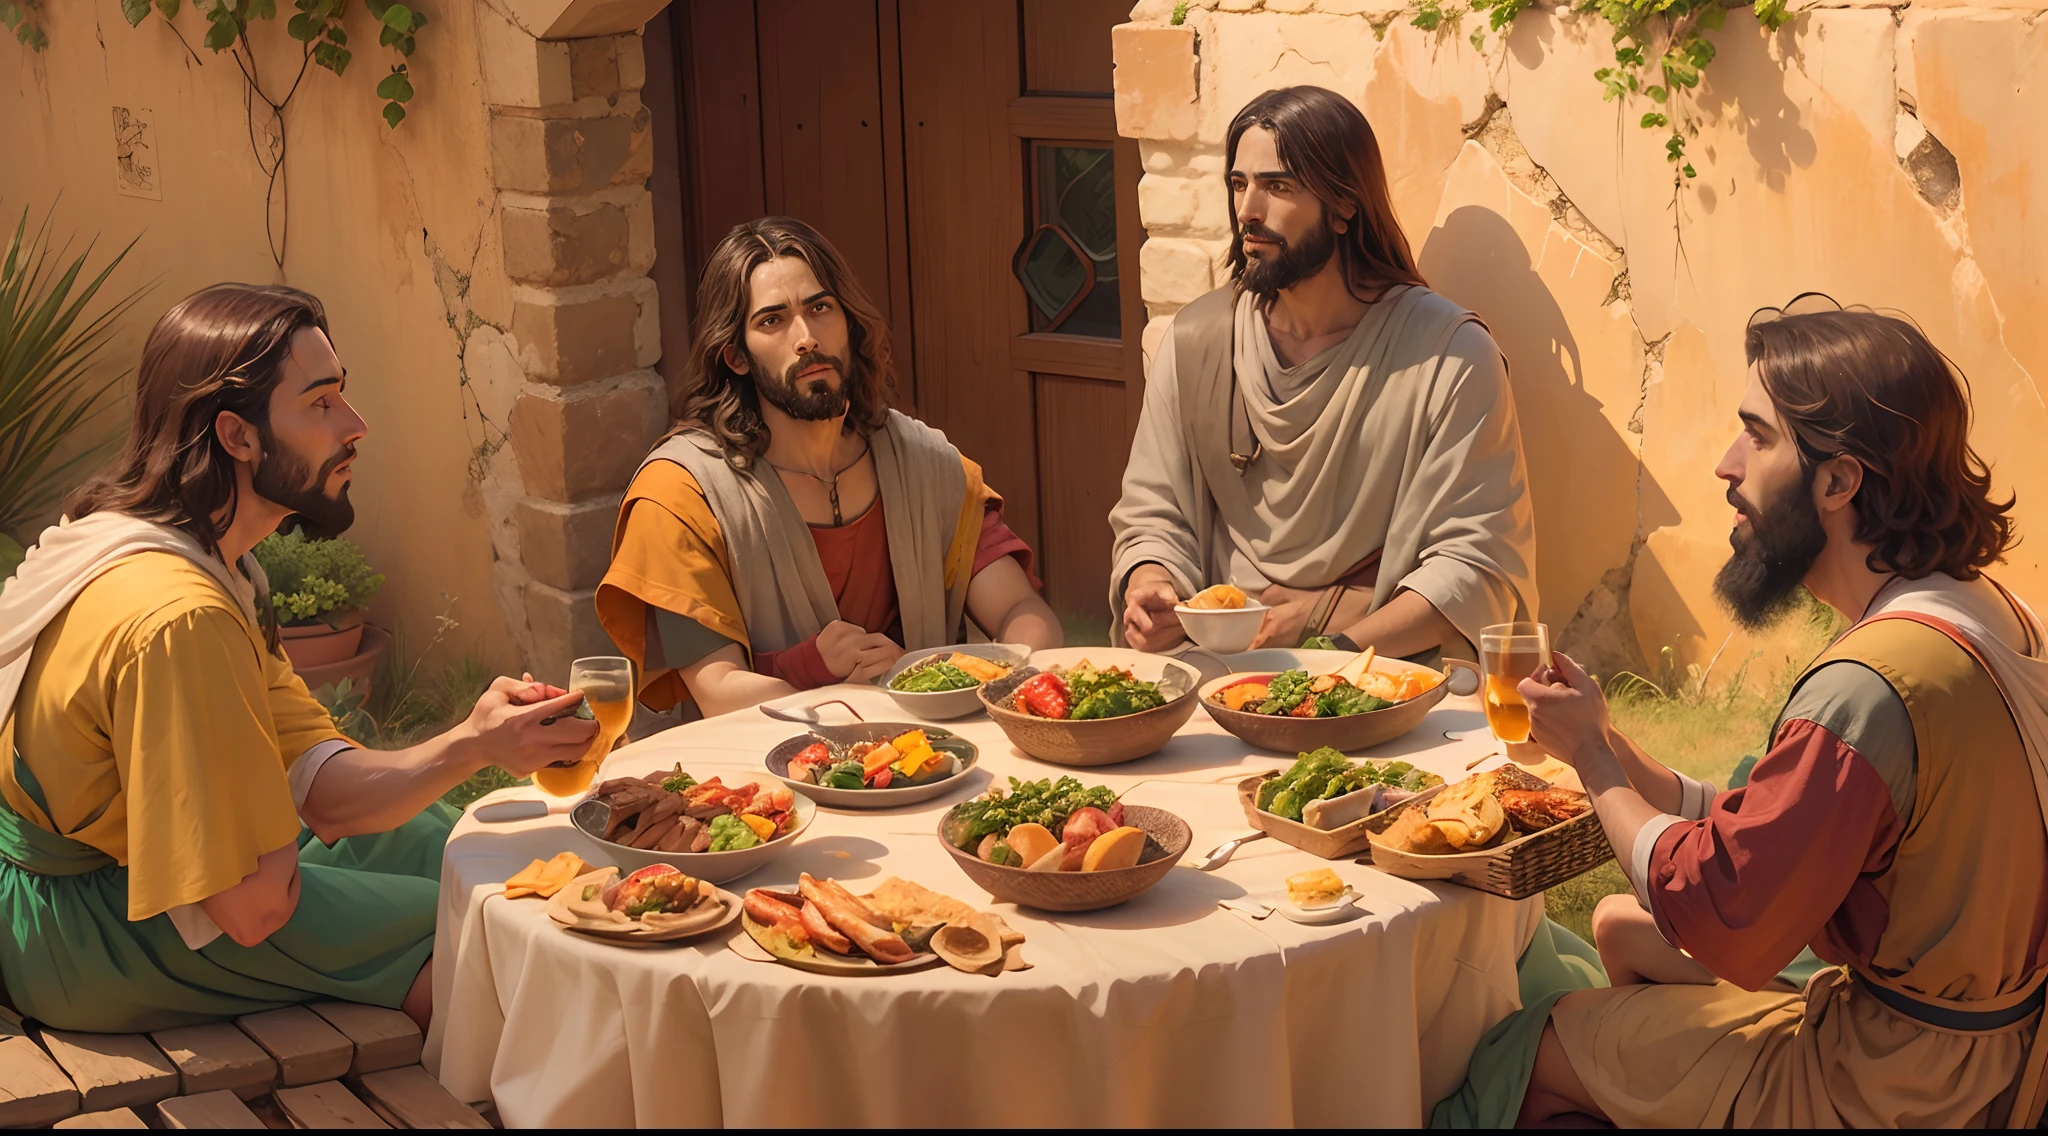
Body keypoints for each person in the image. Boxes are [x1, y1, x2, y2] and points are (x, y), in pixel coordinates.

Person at [1472, 298, 2048, 1127]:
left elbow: (1724, 913)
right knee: (1620, 929)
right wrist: (1605, 744)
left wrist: (1597, 770)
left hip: (1894, 1087)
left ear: (1840, 479)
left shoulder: (1873, 685)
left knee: (1530, 1050)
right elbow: (1786, 828)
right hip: (1988, 1054)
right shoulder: (1991, 614)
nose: (1725, 464)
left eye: (1759, 435)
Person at [0, 284, 599, 1034]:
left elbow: (319, 782)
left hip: (171, 883)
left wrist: (475, 745)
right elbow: (251, 907)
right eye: (321, 404)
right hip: (94, 928)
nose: (357, 426)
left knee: (450, 846)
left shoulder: (200, 555)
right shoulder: (182, 616)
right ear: (238, 437)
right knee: (488, 926)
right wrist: (285, 830)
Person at [1108, 85, 1535, 661]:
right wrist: (1151, 586)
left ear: (1344, 205)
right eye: (1239, 185)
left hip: (1382, 671)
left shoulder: (1447, 354)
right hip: (1217, 665)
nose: (1248, 212)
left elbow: (1477, 563)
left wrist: (1328, 644)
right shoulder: (1196, 341)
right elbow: (1153, 513)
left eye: (1278, 186)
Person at [597, 217, 1060, 718]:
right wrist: (817, 669)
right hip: (762, 779)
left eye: (820, 309)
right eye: (772, 321)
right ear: (735, 356)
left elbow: (1022, 614)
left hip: (936, 764)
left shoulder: (926, 466)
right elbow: (719, 692)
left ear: (848, 322)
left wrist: (938, 677)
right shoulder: (681, 495)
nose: (806, 338)